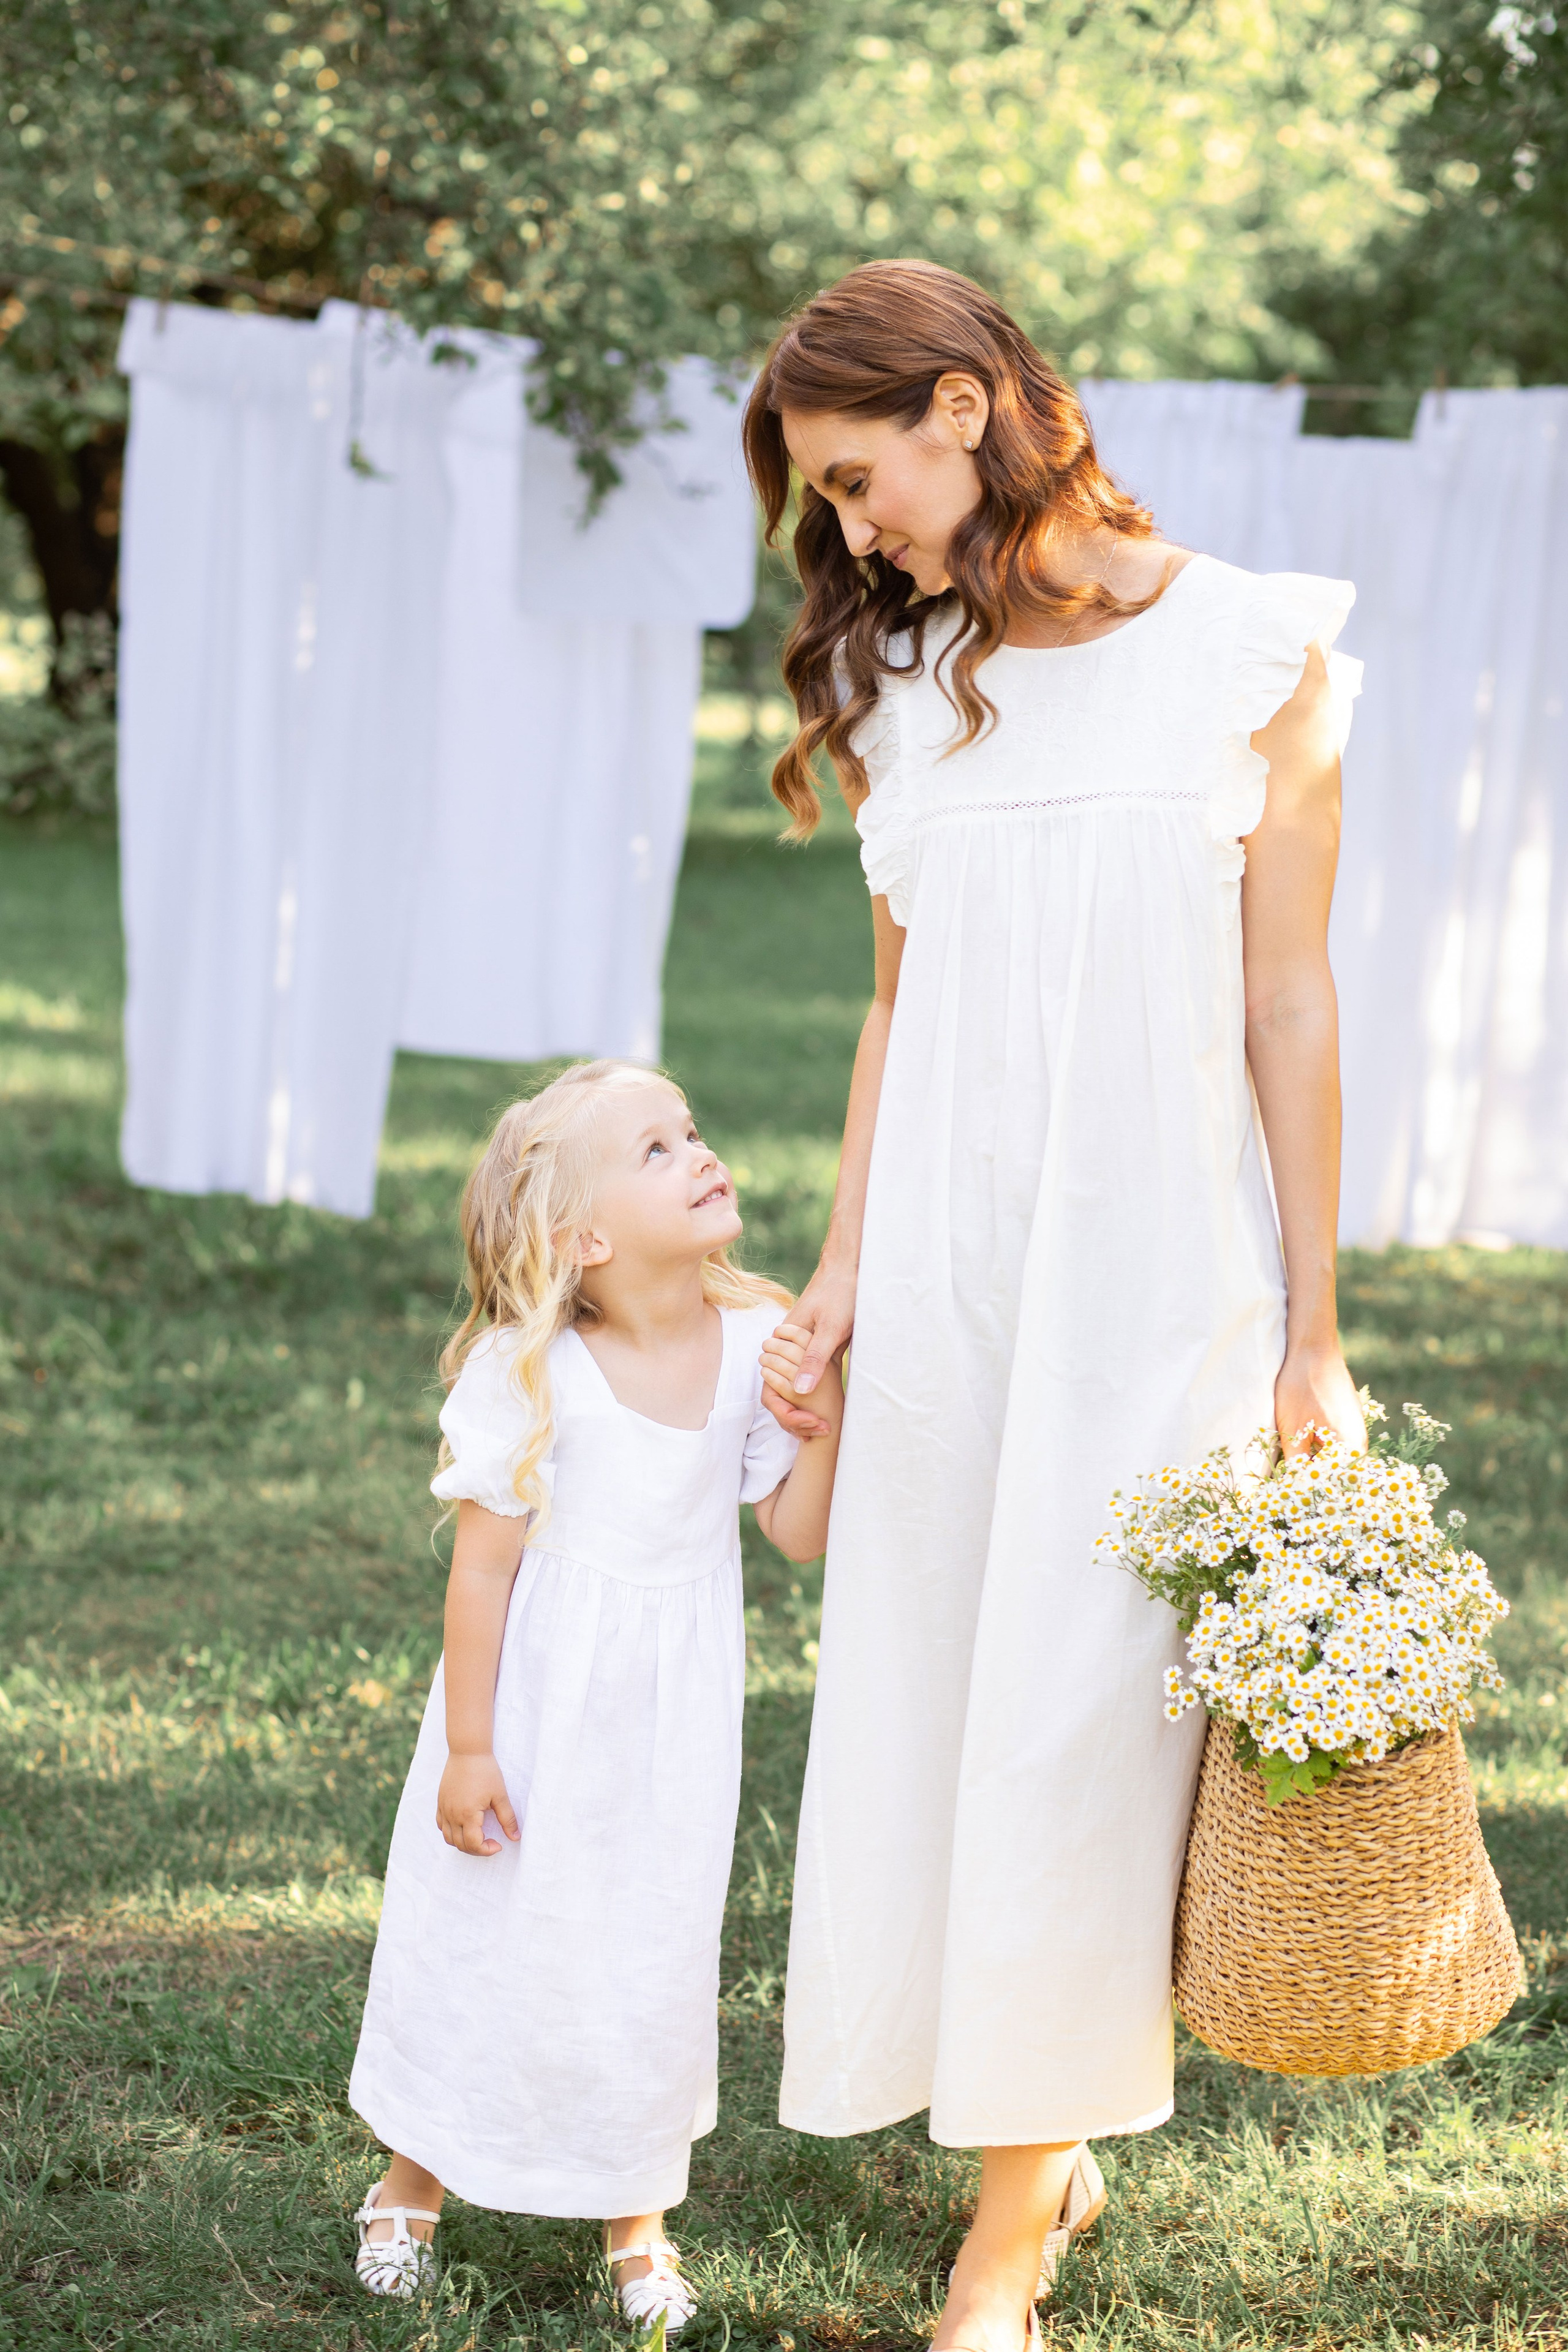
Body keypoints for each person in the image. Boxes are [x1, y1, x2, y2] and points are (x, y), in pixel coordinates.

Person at [741, 260, 1367, 2352]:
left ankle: (1006, 2246)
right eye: (821, 505)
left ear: (961, 403)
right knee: (939, 1693)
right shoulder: (916, 684)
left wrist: (1314, 1329)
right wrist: (838, 1272)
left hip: (1159, 1262)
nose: (851, 534)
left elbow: (1290, 998)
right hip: (945, 1256)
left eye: (853, 480)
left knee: (1080, 1718)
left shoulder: (1257, 651)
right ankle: (1043, 2143)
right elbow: (896, 1015)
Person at [346, 1059, 843, 2323]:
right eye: (657, 1150)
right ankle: (413, 2177)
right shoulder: (532, 1369)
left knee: (646, 1951)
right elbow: (481, 1573)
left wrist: (823, 1419)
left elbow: (792, 1530)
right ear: (585, 1237)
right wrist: (467, 1749)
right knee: (492, 1939)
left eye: (692, 1130)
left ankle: (636, 2216)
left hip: (672, 1723)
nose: (699, 1153)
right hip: (531, 1713)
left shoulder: (752, 1343)